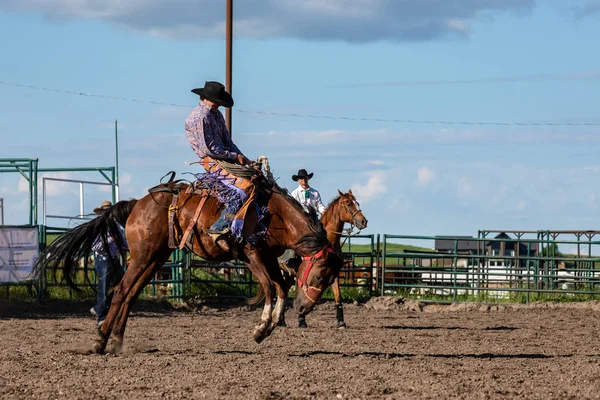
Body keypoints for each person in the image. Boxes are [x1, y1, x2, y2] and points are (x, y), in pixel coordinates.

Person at [185, 81, 252, 251]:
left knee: (255, 181)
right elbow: (210, 148)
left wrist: (241, 157)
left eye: (217, 101)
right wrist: (234, 156)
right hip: (212, 161)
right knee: (241, 189)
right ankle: (219, 226)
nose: (216, 104)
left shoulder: (216, 115)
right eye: (213, 100)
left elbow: (228, 142)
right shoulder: (200, 117)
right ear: (204, 98)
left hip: (223, 159)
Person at [90, 200, 128, 326]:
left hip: (114, 259)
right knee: (104, 288)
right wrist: (110, 241)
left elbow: (123, 241)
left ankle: (98, 308)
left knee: (123, 286)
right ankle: (101, 316)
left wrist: (127, 247)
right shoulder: (99, 226)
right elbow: (95, 246)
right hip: (103, 259)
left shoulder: (116, 226)